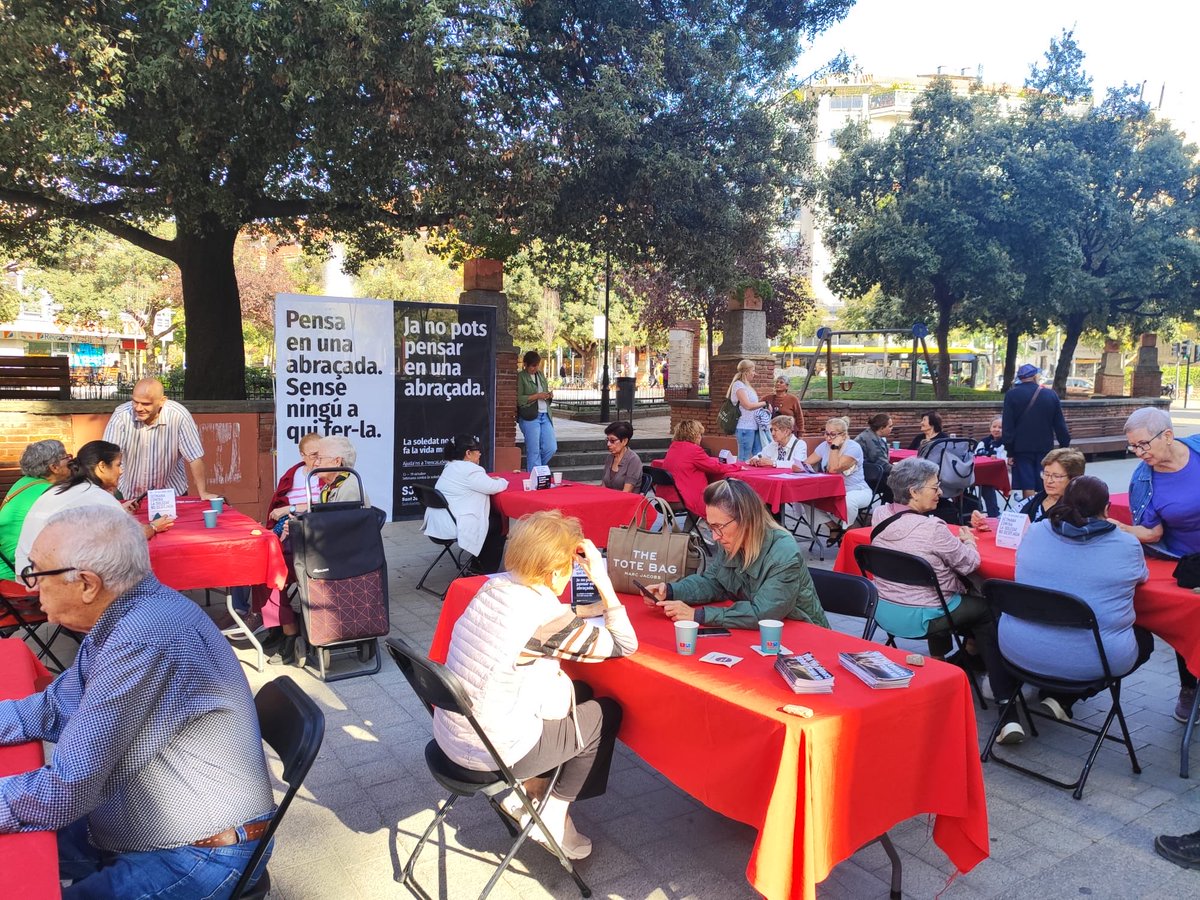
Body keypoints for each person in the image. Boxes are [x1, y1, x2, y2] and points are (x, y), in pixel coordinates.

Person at [3, 505, 275, 895]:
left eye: (35, 572)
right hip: (134, 819)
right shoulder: (123, 611)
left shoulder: (141, 637)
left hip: (198, 853)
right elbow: (53, 708)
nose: (29, 586)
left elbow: (67, 789)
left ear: (86, 584)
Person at [434, 510, 635, 860]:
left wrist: (581, 614)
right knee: (606, 713)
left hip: (452, 736)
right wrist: (603, 582)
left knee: (582, 693)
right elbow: (623, 644)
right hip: (489, 753)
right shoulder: (543, 617)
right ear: (555, 570)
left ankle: (530, 790)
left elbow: (540, 634)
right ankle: (553, 814)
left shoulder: (493, 586)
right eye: (571, 568)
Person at [996, 476, 1153, 743]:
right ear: (1107, 510)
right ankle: (1065, 697)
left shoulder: (1036, 531)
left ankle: (1051, 698)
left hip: (1017, 649)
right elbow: (1142, 577)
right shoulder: (1126, 545)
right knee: (1144, 640)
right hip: (1091, 660)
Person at [641, 478, 828, 629]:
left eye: (719, 527)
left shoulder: (784, 552)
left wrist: (698, 615)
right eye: (710, 526)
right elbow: (714, 582)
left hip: (806, 634)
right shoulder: (732, 541)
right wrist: (671, 591)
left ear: (745, 520)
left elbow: (763, 613)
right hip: (769, 633)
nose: (714, 536)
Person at [869, 458, 999, 675]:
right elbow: (970, 563)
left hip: (884, 609)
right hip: (922, 616)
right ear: (914, 492)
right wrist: (968, 540)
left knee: (934, 589)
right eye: (935, 486)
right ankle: (997, 684)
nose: (940, 492)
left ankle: (940, 659)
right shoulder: (932, 528)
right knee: (988, 607)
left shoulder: (880, 514)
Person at [1113, 406, 1200, 723]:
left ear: (1167, 435)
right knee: (1189, 623)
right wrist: (1120, 528)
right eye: (1133, 446)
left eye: (1142, 444)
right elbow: (1152, 532)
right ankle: (1190, 687)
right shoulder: (1143, 479)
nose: (1138, 453)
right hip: (1186, 563)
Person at [15, 441, 174, 576]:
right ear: (102, 466)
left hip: (28, 570)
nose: (121, 471)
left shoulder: (64, 488)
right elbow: (133, 534)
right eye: (118, 465)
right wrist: (154, 526)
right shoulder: (96, 495)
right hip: (45, 576)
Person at [102, 377, 215, 499]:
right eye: (135, 402)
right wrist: (108, 493)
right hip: (130, 490)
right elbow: (107, 457)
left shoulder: (179, 416)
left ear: (162, 401)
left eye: (146, 404)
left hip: (171, 491)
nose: (138, 408)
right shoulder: (121, 415)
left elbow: (194, 457)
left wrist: (203, 492)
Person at [423, 434, 508, 574]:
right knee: (498, 524)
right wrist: (503, 481)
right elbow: (494, 487)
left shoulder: (450, 466)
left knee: (491, 520)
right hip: (454, 525)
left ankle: (477, 566)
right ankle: (482, 571)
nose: (480, 453)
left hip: (437, 524)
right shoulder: (470, 470)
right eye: (477, 450)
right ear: (468, 453)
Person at [0, 440, 72, 581]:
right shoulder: (49, 492)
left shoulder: (24, 482)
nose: (71, 461)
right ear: (54, 467)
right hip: (19, 570)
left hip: (5, 563)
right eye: (67, 457)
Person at [1001, 364, 1070, 498]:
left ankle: (1030, 511)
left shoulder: (1012, 395)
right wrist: (1064, 446)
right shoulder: (1050, 394)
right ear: (1034, 377)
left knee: (1027, 482)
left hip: (1021, 448)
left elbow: (1008, 426)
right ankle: (1044, 508)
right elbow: (1060, 424)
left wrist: (1009, 450)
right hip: (1045, 447)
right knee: (1045, 477)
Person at [805, 417, 871, 545]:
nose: (828, 438)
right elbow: (807, 463)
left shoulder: (853, 447)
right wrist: (799, 465)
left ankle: (848, 531)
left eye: (833, 434)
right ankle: (833, 526)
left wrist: (834, 447)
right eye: (826, 433)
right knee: (805, 496)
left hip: (855, 489)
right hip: (831, 490)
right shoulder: (824, 446)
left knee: (849, 501)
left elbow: (834, 469)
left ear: (844, 435)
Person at [660, 419, 738, 522]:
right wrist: (736, 466)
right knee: (719, 500)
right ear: (695, 435)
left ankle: (689, 532)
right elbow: (716, 467)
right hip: (682, 498)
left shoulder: (674, 447)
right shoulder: (693, 450)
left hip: (664, 497)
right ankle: (697, 531)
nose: (701, 437)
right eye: (700, 434)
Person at [517, 350, 557, 470]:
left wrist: (549, 395)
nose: (535, 368)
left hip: (545, 414)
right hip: (530, 416)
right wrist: (537, 396)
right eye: (532, 366)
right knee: (533, 449)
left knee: (551, 447)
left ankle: (537, 470)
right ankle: (536, 475)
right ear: (526, 365)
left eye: (537, 365)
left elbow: (544, 392)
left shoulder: (540, 375)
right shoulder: (521, 377)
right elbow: (519, 399)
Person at [726, 358, 770, 461]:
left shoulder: (747, 385)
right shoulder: (738, 385)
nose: (755, 374)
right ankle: (740, 476)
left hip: (753, 427)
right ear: (747, 371)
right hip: (744, 427)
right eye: (753, 371)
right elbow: (748, 406)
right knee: (744, 457)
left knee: (758, 455)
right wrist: (764, 403)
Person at [974, 416, 1006, 517]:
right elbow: (976, 454)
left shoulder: (1006, 443)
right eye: (994, 426)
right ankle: (967, 510)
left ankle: (993, 513)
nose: (996, 429)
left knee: (986, 485)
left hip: (1002, 474)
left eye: (1000, 427)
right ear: (990, 428)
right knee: (963, 480)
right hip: (984, 473)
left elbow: (1005, 460)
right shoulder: (984, 442)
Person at [600, 421, 642, 493]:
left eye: (612, 441)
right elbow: (603, 486)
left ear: (624, 441)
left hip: (626, 501)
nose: (608, 444)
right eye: (607, 440)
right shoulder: (610, 458)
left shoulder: (633, 460)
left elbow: (627, 491)